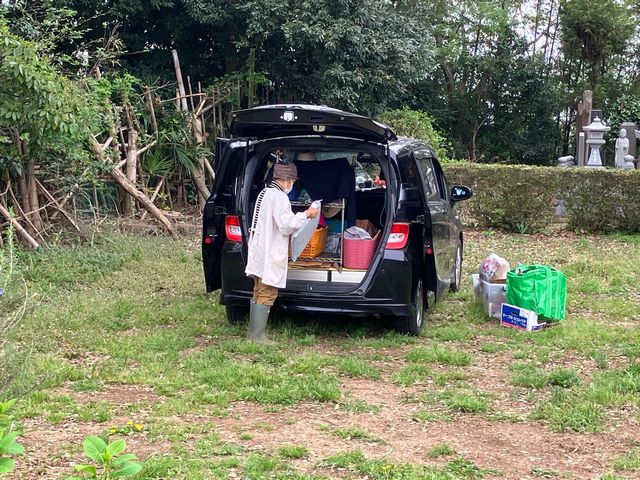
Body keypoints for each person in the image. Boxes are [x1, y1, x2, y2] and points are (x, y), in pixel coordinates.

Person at [245, 163, 319, 343]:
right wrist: (306, 214)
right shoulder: (279, 197)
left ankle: (253, 334)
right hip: (270, 250)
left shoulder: (264, 193)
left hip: (260, 250)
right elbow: (286, 225)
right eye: (292, 181)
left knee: (258, 290)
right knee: (267, 292)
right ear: (286, 180)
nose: (292, 184)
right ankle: (258, 337)